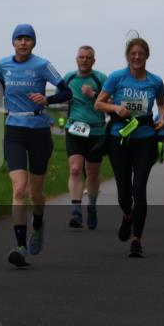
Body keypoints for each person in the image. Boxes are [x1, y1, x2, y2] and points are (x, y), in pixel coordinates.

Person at [0, 24, 72, 267]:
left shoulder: (42, 65)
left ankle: (38, 224)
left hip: (39, 130)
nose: (23, 42)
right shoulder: (3, 65)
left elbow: (67, 92)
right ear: (13, 42)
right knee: (19, 189)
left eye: (28, 39)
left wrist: (47, 99)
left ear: (33, 43)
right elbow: (1, 90)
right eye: (19, 38)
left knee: (35, 193)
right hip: (13, 130)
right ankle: (20, 246)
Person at [94, 37, 164, 258]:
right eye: (133, 54)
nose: (137, 57)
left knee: (140, 189)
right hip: (120, 138)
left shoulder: (155, 81)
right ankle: (127, 215)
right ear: (128, 56)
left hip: (145, 138)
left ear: (147, 56)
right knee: (124, 193)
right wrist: (116, 108)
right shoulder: (117, 77)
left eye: (141, 53)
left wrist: (162, 117)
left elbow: (162, 103)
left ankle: (137, 240)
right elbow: (98, 103)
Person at [61, 46, 108, 230]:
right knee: (75, 169)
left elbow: (110, 102)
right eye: (81, 57)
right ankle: (75, 211)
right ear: (76, 59)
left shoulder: (101, 78)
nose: (84, 60)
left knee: (93, 173)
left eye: (88, 57)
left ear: (93, 61)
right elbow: (61, 95)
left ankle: (92, 206)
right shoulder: (69, 78)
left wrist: (93, 95)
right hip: (74, 129)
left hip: (96, 132)